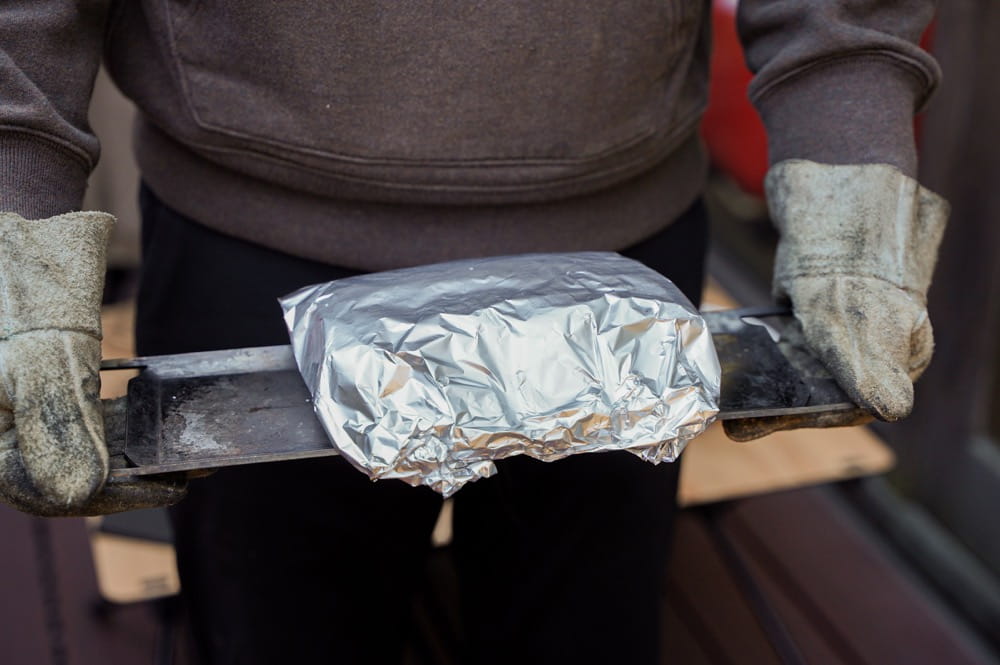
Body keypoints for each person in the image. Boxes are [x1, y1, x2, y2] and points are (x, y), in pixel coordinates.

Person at [0, 2, 948, 663]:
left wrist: (849, 144)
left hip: (617, 270)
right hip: (252, 251)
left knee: (582, 635)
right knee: (278, 632)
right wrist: (17, 205)